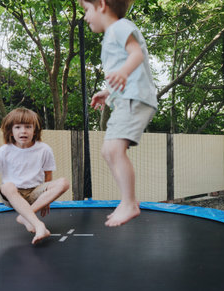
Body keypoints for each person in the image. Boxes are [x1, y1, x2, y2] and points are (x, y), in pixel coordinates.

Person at [79, 0, 157, 226]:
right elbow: (126, 71)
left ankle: (129, 202)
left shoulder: (120, 26)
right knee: (107, 150)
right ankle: (128, 201)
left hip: (135, 99)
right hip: (125, 99)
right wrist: (108, 92)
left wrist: (123, 72)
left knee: (114, 149)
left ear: (101, 5)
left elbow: (136, 54)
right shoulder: (112, 34)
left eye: (87, 10)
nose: (85, 17)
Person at [0, 108, 70, 244]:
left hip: (35, 192)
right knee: (7, 186)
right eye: (18, 127)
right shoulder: (3, 152)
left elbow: (48, 175)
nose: (23, 131)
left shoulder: (44, 149)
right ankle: (38, 225)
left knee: (64, 182)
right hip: (12, 195)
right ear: (10, 131)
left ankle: (25, 216)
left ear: (35, 130)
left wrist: (47, 200)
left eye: (28, 127)